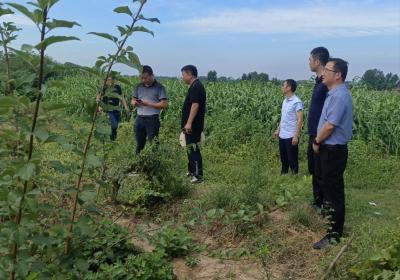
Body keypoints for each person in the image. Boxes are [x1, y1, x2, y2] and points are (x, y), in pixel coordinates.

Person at [312, 58, 353, 249]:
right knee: (328, 190)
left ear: (337, 75)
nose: (323, 74)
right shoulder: (334, 93)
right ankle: (331, 227)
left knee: (334, 193)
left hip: (333, 150)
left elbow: (329, 126)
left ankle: (334, 235)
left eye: (327, 70)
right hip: (329, 149)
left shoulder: (339, 96)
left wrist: (317, 141)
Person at [307, 47, 330, 209]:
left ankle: (323, 204)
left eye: (310, 59)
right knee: (314, 169)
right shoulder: (318, 81)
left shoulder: (325, 83)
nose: (308, 62)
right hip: (313, 132)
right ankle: (317, 201)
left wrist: (319, 137)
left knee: (321, 171)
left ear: (317, 61)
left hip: (320, 134)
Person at [131, 65, 168, 154]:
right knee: (139, 144)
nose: (143, 80)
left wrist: (149, 104)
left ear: (152, 75)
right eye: (141, 78)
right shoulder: (138, 86)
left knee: (153, 144)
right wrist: (134, 103)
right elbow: (133, 99)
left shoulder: (159, 87)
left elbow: (164, 104)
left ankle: (155, 164)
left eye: (145, 78)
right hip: (139, 118)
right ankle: (137, 163)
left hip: (152, 119)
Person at [181, 65, 206, 184]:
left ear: (190, 74)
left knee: (194, 148)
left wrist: (189, 123)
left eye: (183, 75)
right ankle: (192, 171)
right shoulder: (194, 86)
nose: (182, 77)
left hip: (193, 125)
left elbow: (195, 105)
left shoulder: (196, 87)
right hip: (190, 125)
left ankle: (198, 175)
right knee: (190, 148)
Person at [274, 79, 304, 174]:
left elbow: (299, 120)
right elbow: (283, 117)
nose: (282, 87)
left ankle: (295, 176)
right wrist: (278, 130)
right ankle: (284, 175)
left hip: (291, 135)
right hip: (282, 134)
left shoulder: (297, 102)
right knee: (284, 158)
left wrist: (296, 136)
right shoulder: (285, 101)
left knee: (292, 158)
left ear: (289, 88)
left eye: (283, 85)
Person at [98, 75, 129, 141]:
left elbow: (122, 97)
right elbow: (98, 98)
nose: (108, 81)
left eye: (110, 79)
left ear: (113, 80)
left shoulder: (117, 87)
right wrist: (100, 106)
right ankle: (107, 138)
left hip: (116, 109)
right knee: (114, 125)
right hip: (108, 110)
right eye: (107, 79)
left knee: (115, 127)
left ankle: (113, 140)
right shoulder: (103, 88)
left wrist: (126, 106)